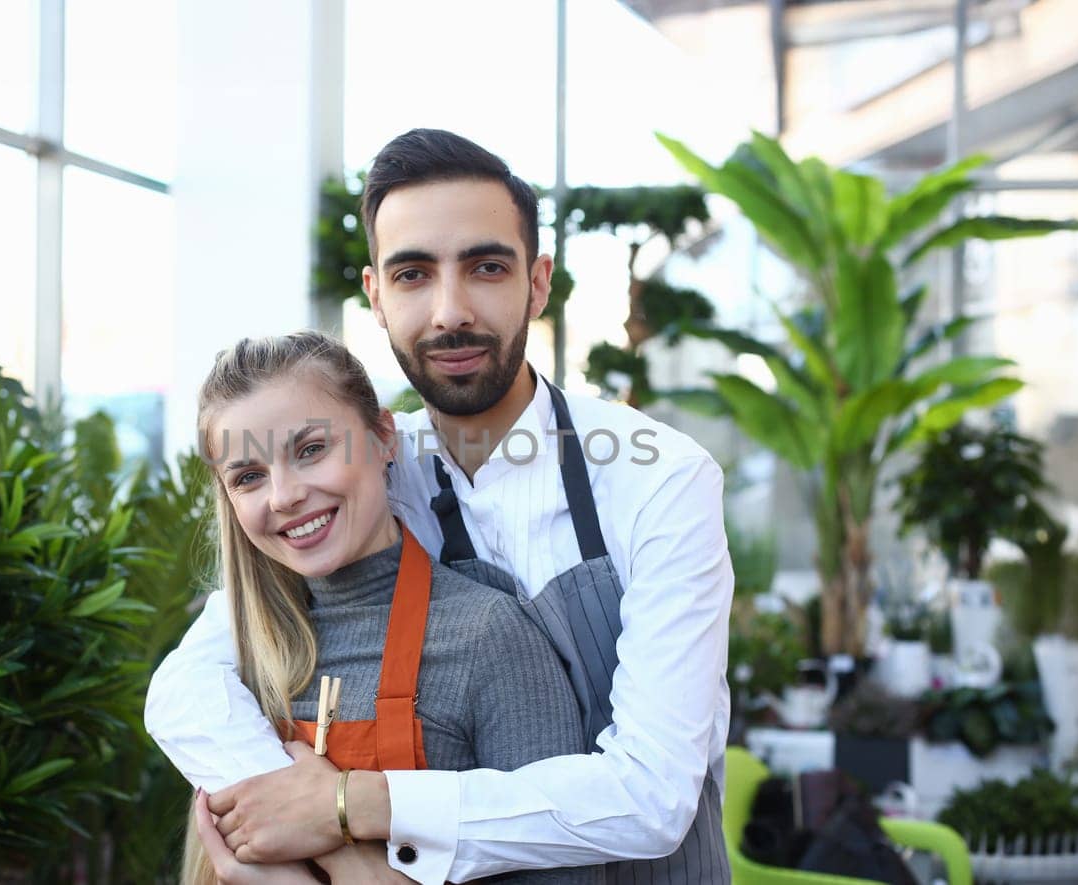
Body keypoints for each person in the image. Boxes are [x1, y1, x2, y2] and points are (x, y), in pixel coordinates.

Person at [149, 129, 734, 884]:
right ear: (376, 297)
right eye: (413, 274)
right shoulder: (365, 469)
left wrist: (347, 804)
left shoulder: (660, 480)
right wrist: (307, 832)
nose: (450, 311)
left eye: (486, 267)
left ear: (537, 282)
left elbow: (651, 797)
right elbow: (186, 685)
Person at [183, 330, 602, 885]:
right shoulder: (232, 669)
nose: (282, 496)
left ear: (384, 436)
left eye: (310, 450)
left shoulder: (489, 639)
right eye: (249, 477)